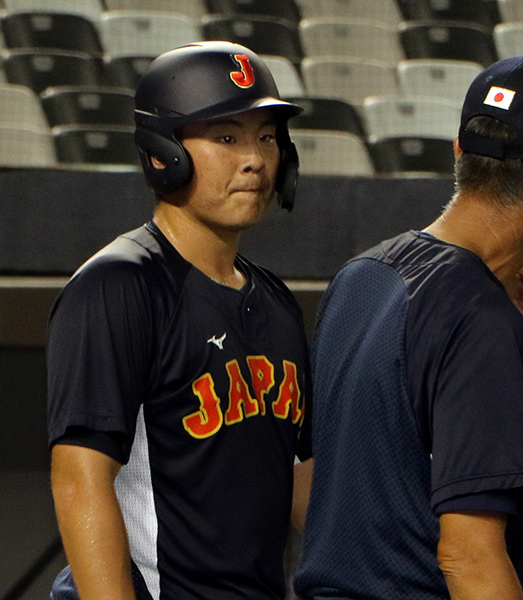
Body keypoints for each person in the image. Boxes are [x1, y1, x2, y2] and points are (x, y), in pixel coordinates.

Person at [294, 52, 523, 600]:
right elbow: (468, 556)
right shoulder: (478, 318)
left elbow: (319, 488)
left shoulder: (362, 277)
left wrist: (517, 354)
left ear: (461, 151)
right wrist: (496, 346)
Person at [46, 41, 313, 600]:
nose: (256, 160)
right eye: (226, 136)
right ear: (164, 151)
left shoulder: (276, 301)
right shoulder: (119, 286)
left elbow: (303, 484)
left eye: (267, 136)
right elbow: (78, 482)